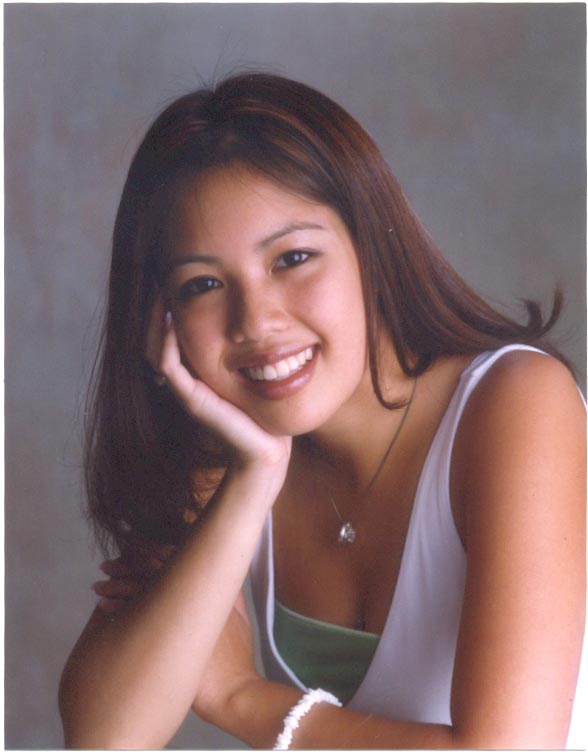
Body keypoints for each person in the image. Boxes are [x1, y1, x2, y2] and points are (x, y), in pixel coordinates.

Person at [59, 72, 586, 750]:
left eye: (293, 258)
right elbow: (105, 737)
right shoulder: (228, 453)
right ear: (162, 316)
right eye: (204, 284)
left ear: (372, 247)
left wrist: (239, 696)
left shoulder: (515, 402)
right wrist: (253, 478)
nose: (256, 322)